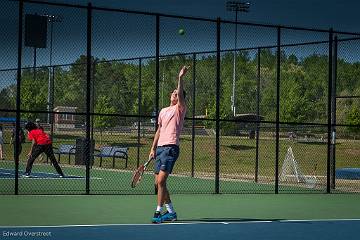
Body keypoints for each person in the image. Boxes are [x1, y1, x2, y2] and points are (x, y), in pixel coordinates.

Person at [149, 65, 189, 223]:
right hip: (159, 149)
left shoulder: (180, 109)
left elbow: (180, 92)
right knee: (157, 183)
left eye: (176, 93)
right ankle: (171, 212)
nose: (174, 93)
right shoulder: (163, 111)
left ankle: (158, 212)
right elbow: (159, 130)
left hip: (171, 148)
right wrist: (152, 148)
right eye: (173, 92)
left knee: (161, 181)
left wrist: (180, 77)